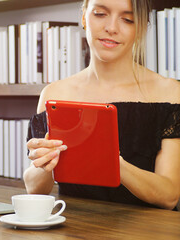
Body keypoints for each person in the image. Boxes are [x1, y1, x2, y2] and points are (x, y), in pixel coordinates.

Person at [23, 0, 180, 210]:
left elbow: (169, 195)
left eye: (127, 19)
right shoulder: (55, 94)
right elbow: (34, 188)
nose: (112, 28)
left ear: (141, 27)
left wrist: (112, 162)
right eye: (100, 14)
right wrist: (44, 163)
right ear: (83, 17)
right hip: (72, 228)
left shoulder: (169, 92)